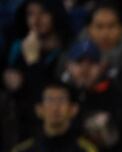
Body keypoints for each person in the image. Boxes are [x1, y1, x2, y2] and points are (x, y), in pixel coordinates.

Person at [2, 0, 73, 139]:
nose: (36, 20)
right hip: (15, 118)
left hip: (47, 121)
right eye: (30, 14)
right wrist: (5, 77)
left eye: (43, 13)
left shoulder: (68, 50)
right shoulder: (18, 45)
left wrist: (34, 62)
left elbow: (50, 94)